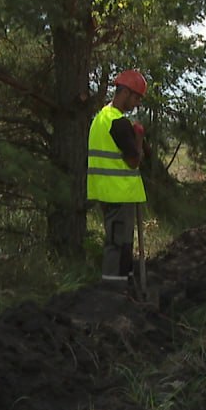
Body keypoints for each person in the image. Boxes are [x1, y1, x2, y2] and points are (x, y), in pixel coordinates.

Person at [87, 69, 149, 285]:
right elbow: (133, 161)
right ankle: (113, 290)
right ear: (125, 93)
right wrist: (139, 138)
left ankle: (124, 284)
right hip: (119, 193)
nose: (137, 103)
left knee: (118, 242)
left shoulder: (100, 118)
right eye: (136, 97)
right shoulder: (119, 123)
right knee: (119, 244)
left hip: (104, 191)